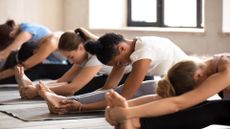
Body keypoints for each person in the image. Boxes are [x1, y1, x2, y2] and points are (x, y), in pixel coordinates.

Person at [37, 33, 187, 114]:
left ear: (122, 49)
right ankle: (62, 100)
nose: (119, 66)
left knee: (141, 90)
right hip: (172, 82)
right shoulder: (130, 47)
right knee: (115, 91)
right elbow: (109, 88)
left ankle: (63, 102)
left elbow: (124, 96)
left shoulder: (143, 53)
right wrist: (79, 100)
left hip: (185, 84)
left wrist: (81, 107)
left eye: (117, 62)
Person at [105, 54, 230, 129]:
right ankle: (134, 123)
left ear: (197, 75)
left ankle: (136, 124)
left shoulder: (226, 70)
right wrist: (122, 107)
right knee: (196, 103)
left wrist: (127, 114)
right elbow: (164, 99)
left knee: (215, 109)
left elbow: (178, 103)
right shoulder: (206, 65)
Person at [16, 28, 134, 99]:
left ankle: (31, 92)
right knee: (66, 86)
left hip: (128, 78)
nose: (71, 61)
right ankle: (29, 90)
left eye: (71, 57)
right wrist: (33, 86)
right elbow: (60, 80)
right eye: (68, 58)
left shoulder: (95, 57)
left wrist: (37, 90)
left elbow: (72, 88)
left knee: (76, 90)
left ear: (80, 48)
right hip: (108, 78)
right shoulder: (82, 57)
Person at [0, 19, 70, 84]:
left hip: (71, 66)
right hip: (64, 62)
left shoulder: (50, 42)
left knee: (36, 69)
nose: (35, 52)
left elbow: (25, 65)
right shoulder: (37, 39)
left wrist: (2, 76)